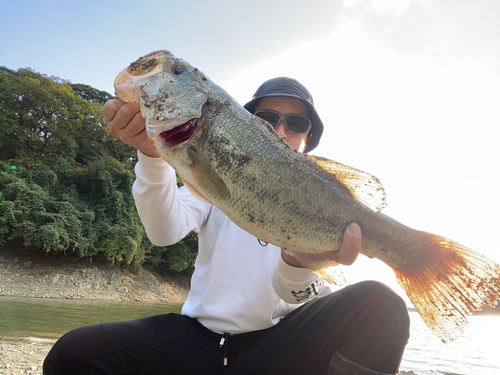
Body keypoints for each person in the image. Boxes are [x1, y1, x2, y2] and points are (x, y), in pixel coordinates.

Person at [43, 77, 410, 375]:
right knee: (73, 354)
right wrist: (153, 154)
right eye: (268, 118)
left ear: (307, 140)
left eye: (296, 124)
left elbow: (295, 295)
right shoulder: (214, 183)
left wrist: (298, 262)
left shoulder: (324, 204)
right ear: (245, 124)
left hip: (276, 348)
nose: (282, 130)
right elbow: (164, 231)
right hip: (195, 341)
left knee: (381, 305)